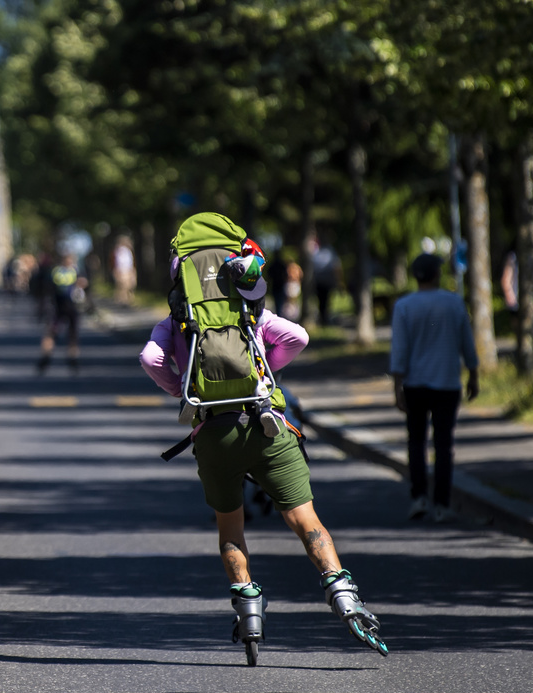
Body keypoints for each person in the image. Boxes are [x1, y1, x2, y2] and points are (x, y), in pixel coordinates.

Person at [140, 221, 386, 661]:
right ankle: (344, 595)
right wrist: (266, 369)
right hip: (265, 422)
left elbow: (150, 358)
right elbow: (299, 337)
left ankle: (249, 609)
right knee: (305, 520)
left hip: (213, 432)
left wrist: (180, 384)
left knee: (230, 528)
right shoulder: (249, 315)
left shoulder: (176, 321)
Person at [390, 253, 480, 523]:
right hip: (447, 382)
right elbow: (467, 342)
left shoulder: (404, 306)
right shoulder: (453, 302)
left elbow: (400, 349)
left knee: (416, 442)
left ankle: (419, 496)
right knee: (443, 445)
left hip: (415, 383)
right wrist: (473, 374)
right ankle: (442, 503)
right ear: (436, 274)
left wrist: (397, 386)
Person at [36, 252, 86, 375]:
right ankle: (73, 361)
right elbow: (83, 283)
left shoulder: (55, 272)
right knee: (72, 336)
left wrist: (42, 307)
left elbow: (46, 287)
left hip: (58, 307)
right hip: (71, 308)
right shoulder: (75, 272)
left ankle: (45, 359)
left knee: (51, 334)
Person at [112, 236, 136, 305]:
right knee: (124, 286)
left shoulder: (127, 251)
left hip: (127, 270)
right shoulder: (121, 251)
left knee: (128, 286)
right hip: (123, 270)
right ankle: (123, 300)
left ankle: (126, 299)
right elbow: (120, 262)